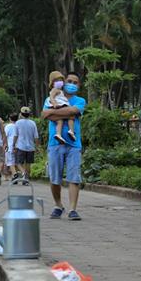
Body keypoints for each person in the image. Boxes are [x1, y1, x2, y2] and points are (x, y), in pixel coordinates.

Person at [41, 70, 86, 221]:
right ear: (63, 82)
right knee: (54, 178)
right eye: (69, 81)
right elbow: (44, 114)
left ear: (79, 85)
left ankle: (73, 209)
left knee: (74, 177)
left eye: (75, 82)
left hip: (74, 144)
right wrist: (68, 113)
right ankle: (58, 205)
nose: (72, 84)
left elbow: (74, 110)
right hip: (55, 143)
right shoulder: (52, 96)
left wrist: (54, 113)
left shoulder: (80, 101)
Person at [46, 78, 78, 144]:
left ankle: (58, 134)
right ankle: (71, 131)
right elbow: (51, 97)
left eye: (60, 81)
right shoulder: (55, 90)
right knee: (71, 116)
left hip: (59, 106)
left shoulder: (60, 91)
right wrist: (54, 104)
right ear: (52, 84)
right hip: (60, 105)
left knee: (60, 121)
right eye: (57, 81)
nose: (60, 82)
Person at [13, 107, 39, 186]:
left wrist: (13, 144)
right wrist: (37, 146)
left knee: (18, 162)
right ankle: (26, 180)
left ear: (21, 114)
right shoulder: (33, 123)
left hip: (21, 146)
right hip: (31, 147)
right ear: (29, 114)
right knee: (28, 164)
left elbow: (15, 135)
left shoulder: (18, 123)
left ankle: (24, 173)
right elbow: (36, 137)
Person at [4, 113, 20, 184]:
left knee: (10, 162)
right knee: (16, 162)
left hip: (10, 146)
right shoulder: (18, 125)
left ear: (10, 119)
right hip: (19, 146)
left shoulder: (8, 126)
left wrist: (4, 144)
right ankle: (14, 177)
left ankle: (15, 175)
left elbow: (5, 136)